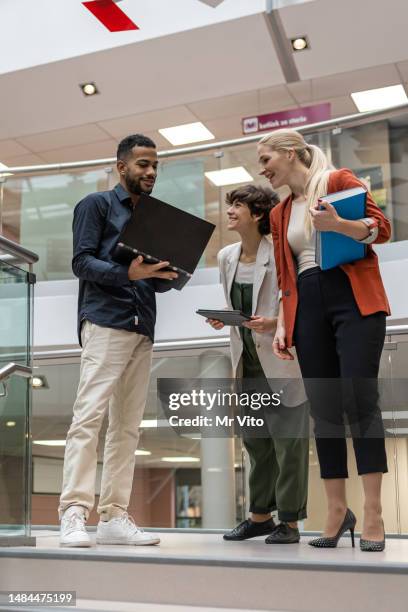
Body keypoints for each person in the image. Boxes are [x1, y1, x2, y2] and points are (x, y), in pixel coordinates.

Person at [258, 128, 390, 552]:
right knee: (325, 410)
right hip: (307, 303)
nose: (262, 169)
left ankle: (372, 511)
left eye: (266, 159)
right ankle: (337, 510)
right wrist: (282, 324)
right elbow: (285, 275)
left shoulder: (338, 181)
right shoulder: (280, 214)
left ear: (291, 153)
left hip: (352, 296)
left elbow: (380, 228)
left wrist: (338, 224)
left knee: (359, 401)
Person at [59, 134, 178, 548]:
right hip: (105, 322)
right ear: (121, 166)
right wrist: (128, 274)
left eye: (155, 166)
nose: (150, 172)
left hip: (141, 325)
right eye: (143, 164)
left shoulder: (154, 218)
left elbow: (151, 279)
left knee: (127, 428)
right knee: (88, 418)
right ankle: (73, 512)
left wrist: (165, 273)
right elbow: (82, 262)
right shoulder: (95, 205)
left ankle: (113, 516)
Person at [207, 184, 309, 545]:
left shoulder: (282, 253)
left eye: (238, 205)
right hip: (246, 363)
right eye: (230, 204)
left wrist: (275, 322)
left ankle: (291, 522)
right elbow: (239, 309)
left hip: (282, 361)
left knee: (289, 445)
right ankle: (260, 517)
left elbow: (298, 302)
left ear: (258, 214)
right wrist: (226, 318)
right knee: (256, 444)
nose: (231, 210)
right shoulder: (226, 257)